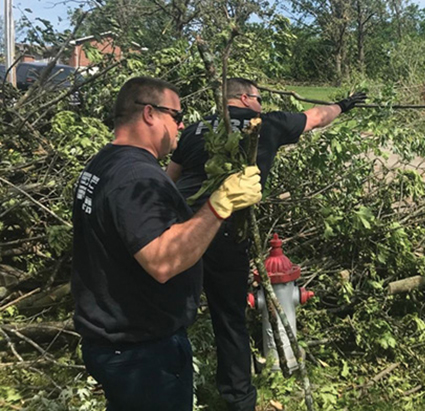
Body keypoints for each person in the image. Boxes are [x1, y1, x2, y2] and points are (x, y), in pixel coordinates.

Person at [167, 78, 366, 410]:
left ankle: (169, 392)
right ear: (245, 98)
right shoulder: (267, 123)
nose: (261, 104)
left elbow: (168, 181)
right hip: (226, 231)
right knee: (228, 316)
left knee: (174, 312)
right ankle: (239, 399)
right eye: (258, 99)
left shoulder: (196, 129)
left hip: (181, 229)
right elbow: (317, 116)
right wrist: (344, 105)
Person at [71, 76, 263, 411]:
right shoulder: (136, 178)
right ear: (149, 114)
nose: (182, 125)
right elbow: (162, 261)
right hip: (141, 351)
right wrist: (221, 204)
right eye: (176, 115)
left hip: (113, 340)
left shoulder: (103, 162)